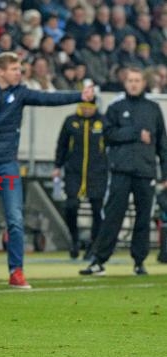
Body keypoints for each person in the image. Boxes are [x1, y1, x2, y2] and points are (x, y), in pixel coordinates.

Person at [0, 52, 94, 288]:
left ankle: (16, 272)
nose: (20, 73)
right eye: (16, 69)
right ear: (1, 71)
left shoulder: (21, 93)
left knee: (15, 218)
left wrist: (80, 96)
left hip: (7, 162)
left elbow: (48, 99)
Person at [80, 67, 167, 276]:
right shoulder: (116, 108)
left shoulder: (153, 109)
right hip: (120, 170)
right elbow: (107, 135)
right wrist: (136, 133)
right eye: (130, 80)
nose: (134, 84)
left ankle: (139, 262)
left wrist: (165, 174)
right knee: (112, 216)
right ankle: (99, 260)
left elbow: (162, 144)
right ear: (125, 83)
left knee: (143, 218)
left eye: (137, 80)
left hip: (145, 171)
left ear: (144, 83)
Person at [53, 100, 107, 260]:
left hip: (97, 172)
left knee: (97, 208)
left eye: (89, 108)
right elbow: (61, 144)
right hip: (74, 172)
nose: (85, 110)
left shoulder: (103, 121)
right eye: (83, 107)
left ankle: (93, 244)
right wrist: (57, 166)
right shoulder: (71, 121)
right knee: (71, 205)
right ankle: (74, 240)